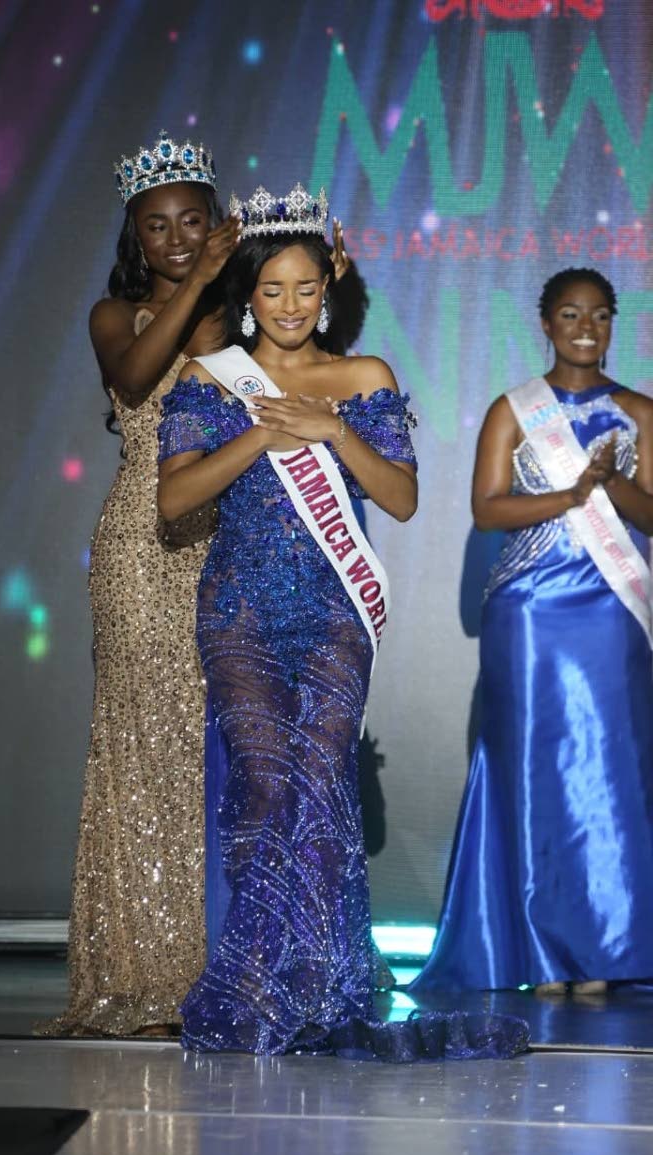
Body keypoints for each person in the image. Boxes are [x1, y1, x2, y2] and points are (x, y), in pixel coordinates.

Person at [157, 182, 529, 1059]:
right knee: (264, 784)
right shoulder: (211, 380)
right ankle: (260, 980)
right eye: (271, 289)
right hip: (239, 610)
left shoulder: (365, 379)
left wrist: (330, 432)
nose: (289, 306)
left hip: (333, 614)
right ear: (247, 293)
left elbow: (399, 498)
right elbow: (173, 502)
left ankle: (320, 981)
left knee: (320, 784)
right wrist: (259, 434)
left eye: (305, 288)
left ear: (329, 288)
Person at [411, 267, 653, 997]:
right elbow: (488, 509)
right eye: (571, 314)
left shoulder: (639, 411)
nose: (586, 327)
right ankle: (536, 952)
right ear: (546, 323)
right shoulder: (513, 410)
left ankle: (605, 947)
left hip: (610, 610)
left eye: (600, 315)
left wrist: (609, 483)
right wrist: (572, 492)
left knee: (608, 770)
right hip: (529, 611)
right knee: (531, 769)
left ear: (613, 324)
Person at [45, 132, 240, 1037]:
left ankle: (223, 965)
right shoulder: (114, 316)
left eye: (191, 221)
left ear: (215, 222)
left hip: (229, 543)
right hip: (140, 547)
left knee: (216, 749)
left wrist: (320, 275)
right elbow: (133, 376)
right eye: (156, 226)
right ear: (135, 236)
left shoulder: (241, 313)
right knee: (143, 743)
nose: (175, 238)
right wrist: (201, 284)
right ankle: (143, 972)